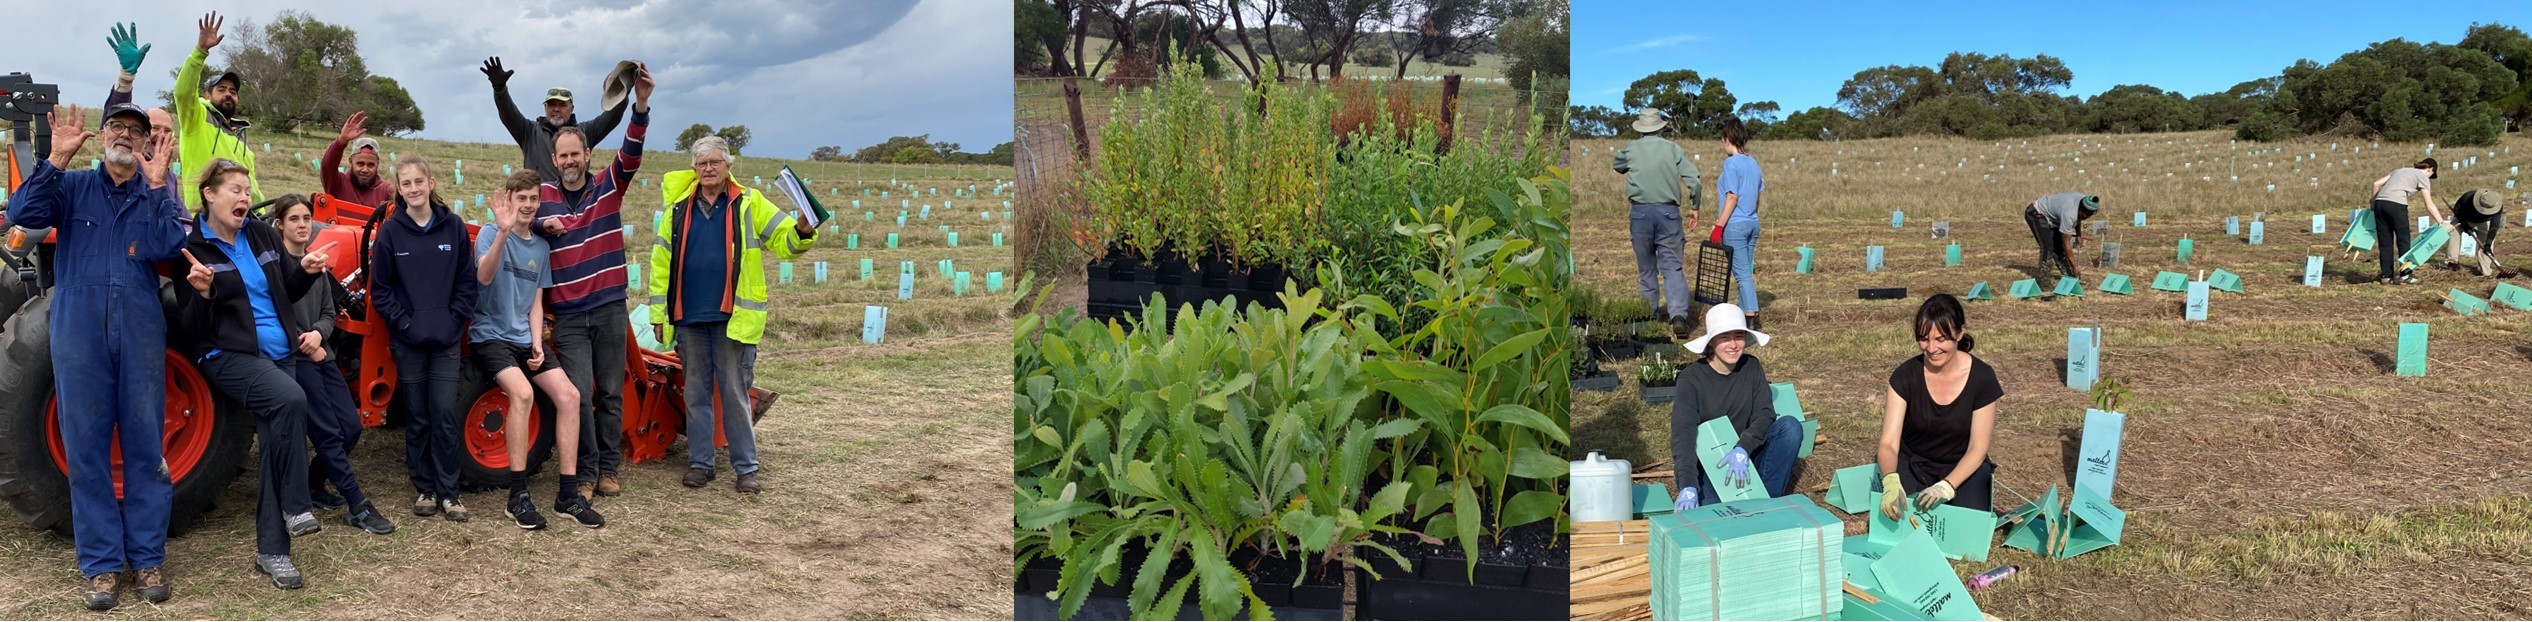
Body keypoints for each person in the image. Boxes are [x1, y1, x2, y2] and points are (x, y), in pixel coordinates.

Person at [6, 104, 187, 610]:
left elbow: (169, 243)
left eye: (136, 131)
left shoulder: (155, 191)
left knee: (146, 447)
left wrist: (157, 186)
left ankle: (147, 555)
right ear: (103, 135)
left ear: (147, 143)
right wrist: (56, 159)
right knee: (85, 449)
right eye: (118, 128)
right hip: (78, 328)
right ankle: (103, 565)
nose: (126, 137)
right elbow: (22, 216)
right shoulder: (72, 187)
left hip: (138, 329)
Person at [172, 160, 336, 590]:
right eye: (235, 190)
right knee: (292, 400)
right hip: (227, 355)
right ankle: (298, 505)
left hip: (279, 353)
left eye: (247, 190)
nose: (245, 198)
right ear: (210, 194)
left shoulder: (261, 234)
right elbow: (191, 327)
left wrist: (306, 271)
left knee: (277, 443)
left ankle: (273, 553)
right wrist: (203, 293)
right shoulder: (194, 249)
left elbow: (285, 288)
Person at [651, 135, 819, 494]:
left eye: (714, 162)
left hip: (733, 317)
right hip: (689, 316)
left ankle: (746, 468)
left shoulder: (749, 202)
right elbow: (660, 263)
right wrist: (658, 312)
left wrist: (803, 226)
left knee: (734, 394)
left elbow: (786, 243)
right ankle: (700, 463)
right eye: (701, 164)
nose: (708, 169)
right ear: (693, 169)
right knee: (695, 394)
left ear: (729, 166)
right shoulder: (677, 209)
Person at [534, 62, 651, 500]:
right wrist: (540, 229)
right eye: (561, 155)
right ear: (554, 159)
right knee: (579, 394)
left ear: (586, 156)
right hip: (567, 315)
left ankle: (608, 468)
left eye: (575, 154)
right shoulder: (541, 200)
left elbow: (632, 154)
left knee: (610, 393)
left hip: (607, 308)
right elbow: (515, 229)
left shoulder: (608, 187)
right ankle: (583, 473)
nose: (568, 161)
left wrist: (639, 105)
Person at [263, 196, 398, 536]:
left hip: (320, 353)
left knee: (351, 428)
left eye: (306, 218)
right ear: (280, 224)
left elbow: (328, 313)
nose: (302, 224)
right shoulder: (275, 267)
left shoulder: (317, 265)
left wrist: (318, 336)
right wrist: (303, 342)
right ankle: (358, 505)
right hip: (295, 359)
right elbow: (272, 313)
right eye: (294, 218)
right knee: (327, 431)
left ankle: (312, 482)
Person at [475, 171, 602, 529]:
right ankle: (517, 495)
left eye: (533, 199)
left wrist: (536, 342)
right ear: (510, 200)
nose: (528, 205)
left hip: (524, 337)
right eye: (521, 199)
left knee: (570, 395)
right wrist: (502, 231)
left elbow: (536, 301)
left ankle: (567, 494)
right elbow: (483, 277)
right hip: (490, 336)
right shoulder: (489, 233)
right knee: (523, 394)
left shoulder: (541, 248)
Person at [368, 155, 480, 522]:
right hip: (409, 340)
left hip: (446, 340)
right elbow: (381, 290)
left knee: (445, 413)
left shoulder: (454, 228)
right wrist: (405, 325)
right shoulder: (391, 233)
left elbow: (467, 283)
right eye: (406, 183)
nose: (413, 189)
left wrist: (453, 323)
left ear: (431, 183)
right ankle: (425, 489)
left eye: (419, 181)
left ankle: (450, 493)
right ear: (398, 189)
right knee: (417, 416)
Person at [1875, 294, 2003, 520]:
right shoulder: (1905, 376)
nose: (1931, 348)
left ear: (1959, 334)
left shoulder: (1982, 377)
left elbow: (1977, 448)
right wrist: (1890, 479)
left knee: (1969, 524)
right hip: (1914, 462)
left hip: (1963, 465)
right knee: (1901, 518)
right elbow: (1889, 443)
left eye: (1941, 339)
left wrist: (1947, 486)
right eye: (1924, 339)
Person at [1669, 303, 1799, 507]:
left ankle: (1768, 503)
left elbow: (1764, 413)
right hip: (1714, 463)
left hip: (1746, 453)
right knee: (1715, 511)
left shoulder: (1751, 367)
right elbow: (1683, 433)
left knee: (1790, 427)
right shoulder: (1691, 379)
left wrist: (1743, 448)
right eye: (1724, 337)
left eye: (1738, 336)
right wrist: (1687, 484)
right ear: (1711, 342)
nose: (1733, 345)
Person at [1612, 108, 1702, 336]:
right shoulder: (1673, 148)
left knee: (1646, 269)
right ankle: (1678, 316)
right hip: (1669, 213)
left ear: (1641, 128)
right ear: (1661, 127)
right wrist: (1694, 206)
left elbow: (1617, 165)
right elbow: (1695, 181)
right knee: (1673, 267)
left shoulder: (1631, 148)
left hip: (1640, 214)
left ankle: (1647, 317)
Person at [481, 56, 630, 184]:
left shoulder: (585, 132)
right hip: (539, 207)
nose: (556, 109)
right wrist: (500, 89)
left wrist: (621, 92)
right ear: (545, 107)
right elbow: (508, 114)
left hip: (575, 209)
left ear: (571, 108)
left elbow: (612, 117)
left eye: (562, 105)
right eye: (552, 104)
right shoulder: (530, 132)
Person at [173, 12, 262, 211]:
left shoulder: (241, 136)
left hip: (243, 221)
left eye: (233, 91)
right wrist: (200, 51)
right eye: (221, 89)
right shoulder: (196, 117)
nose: (228, 94)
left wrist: (262, 216)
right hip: (205, 219)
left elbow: (252, 186)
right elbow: (183, 92)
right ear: (207, 95)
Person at [98, 23, 180, 184]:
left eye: (167, 131)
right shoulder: (127, 163)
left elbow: (178, 210)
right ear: (143, 136)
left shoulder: (169, 178)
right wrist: (126, 78)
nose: (161, 135)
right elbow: (114, 115)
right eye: (155, 128)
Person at [1715, 118, 1766, 331]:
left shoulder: (1731, 163)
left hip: (1735, 225)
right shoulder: (1753, 162)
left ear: (1727, 140)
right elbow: (1757, 195)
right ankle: (1745, 316)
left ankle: (1751, 317)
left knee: (1742, 274)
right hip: (1753, 223)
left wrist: (1719, 226)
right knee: (1745, 271)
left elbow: (1732, 196)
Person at [2369, 158, 2447, 285]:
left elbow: (2376, 184)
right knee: (2403, 241)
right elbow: (2429, 205)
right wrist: (2442, 222)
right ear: (2430, 169)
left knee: (2385, 242)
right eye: (2432, 174)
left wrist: (2373, 204)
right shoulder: (2423, 176)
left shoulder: (2400, 170)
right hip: (2397, 205)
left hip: (2380, 204)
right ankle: (2405, 276)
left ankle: (2386, 276)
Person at [320, 111, 397, 209]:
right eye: (360, 164)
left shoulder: (386, 190)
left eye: (371, 165)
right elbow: (327, 166)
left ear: (377, 164)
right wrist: (341, 141)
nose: (365, 170)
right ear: (351, 161)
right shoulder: (337, 183)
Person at [2024, 192, 2097, 279]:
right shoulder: (2069, 213)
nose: (2086, 216)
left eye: (2089, 215)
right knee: (2048, 246)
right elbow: (2066, 243)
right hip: (2036, 213)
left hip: (2053, 218)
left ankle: (2069, 275)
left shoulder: (2084, 200)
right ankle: (2043, 279)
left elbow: (2079, 217)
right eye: (2085, 213)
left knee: (2058, 248)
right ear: (2081, 207)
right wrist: (2075, 266)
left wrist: (2078, 234)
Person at [2441, 188, 2505, 276]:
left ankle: (2485, 271)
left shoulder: (2497, 205)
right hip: (2463, 218)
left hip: (2483, 222)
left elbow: (2494, 226)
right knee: (2453, 232)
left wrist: (2488, 244)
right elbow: (2457, 210)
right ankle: (2452, 263)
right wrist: (2464, 225)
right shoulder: (2468, 198)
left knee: (2486, 242)